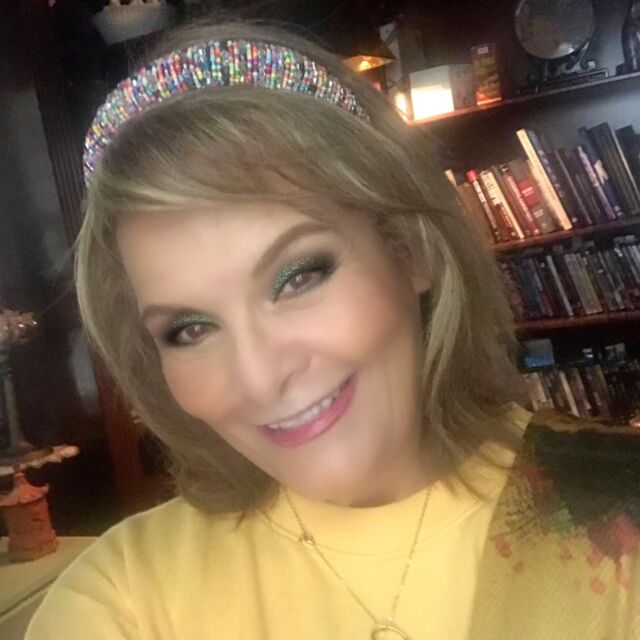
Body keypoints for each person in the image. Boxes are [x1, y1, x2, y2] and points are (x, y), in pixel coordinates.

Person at [26, 17, 640, 640]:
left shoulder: (621, 513)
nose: (260, 377)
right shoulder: (123, 598)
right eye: (190, 329)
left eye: (298, 277)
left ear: (410, 249)